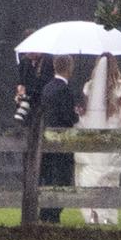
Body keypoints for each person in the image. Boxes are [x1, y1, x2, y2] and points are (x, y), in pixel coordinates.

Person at [74, 53, 121, 225]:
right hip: (112, 139)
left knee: (91, 176)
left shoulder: (89, 87)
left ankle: (93, 214)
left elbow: (85, 111)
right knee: (109, 178)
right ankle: (107, 216)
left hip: (93, 137)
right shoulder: (119, 89)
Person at [39, 55, 79, 223]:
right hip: (62, 140)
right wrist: (76, 114)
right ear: (70, 68)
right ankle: (53, 214)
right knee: (62, 178)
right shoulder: (65, 90)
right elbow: (67, 116)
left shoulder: (47, 87)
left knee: (48, 177)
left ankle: (45, 212)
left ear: (55, 67)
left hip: (47, 139)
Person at [15, 29, 54, 124]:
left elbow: (46, 83)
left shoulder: (48, 60)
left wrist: (27, 90)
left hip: (42, 105)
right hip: (29, 108)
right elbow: (20, 80)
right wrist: (20, 91)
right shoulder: (24, 62)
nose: (28, 53)